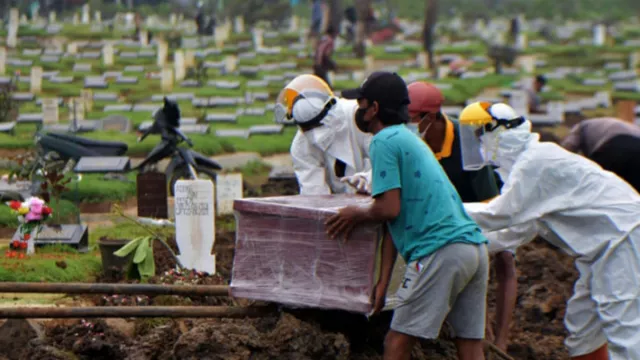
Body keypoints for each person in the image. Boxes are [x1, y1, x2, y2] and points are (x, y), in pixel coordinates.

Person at [458, 101, 640, 360]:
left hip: (622, 237)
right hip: (602, 249)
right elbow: (519, 230)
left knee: (624, 328)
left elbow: (500, 213)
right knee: (583, 329)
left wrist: (439, 210)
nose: (479, 145)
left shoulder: (537, 161)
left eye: (480, 136)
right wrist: (466, 241)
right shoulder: (528, 166)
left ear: (498, 133)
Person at [326, 71, 489, 360]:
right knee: (469, 345)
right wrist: (383, 281)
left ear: (375, 108)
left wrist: (355, 213)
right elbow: (392, 219)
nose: (359, 111)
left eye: (362, 104)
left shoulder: (384, 141)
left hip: (440, 251)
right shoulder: (409, 139)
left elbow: (388, 209)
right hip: (474, 249)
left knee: (397, 342)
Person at [406, 81, 517, 352]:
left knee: (503, 260)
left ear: (430, 117)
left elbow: (488, 198)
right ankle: (472, 326)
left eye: (410, 119)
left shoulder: (465, 138)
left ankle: (499, 338)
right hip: (442, 211)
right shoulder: (410, 142)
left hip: (482, 202)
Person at [275, 74, 372, 195]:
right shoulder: (301, 147)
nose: (315, 135)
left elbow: (389, 163)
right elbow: (314, 194)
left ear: (330, 110)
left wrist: (369, 178)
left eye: (318, 126)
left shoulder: (359, 118)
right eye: (308, 128)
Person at [561, 117, 640, 192]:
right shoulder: (626, 125)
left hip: (612, 146)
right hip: (637, 146)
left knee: (598, 185)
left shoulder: (580, 127)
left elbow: (565, 150)